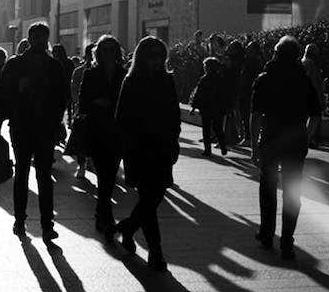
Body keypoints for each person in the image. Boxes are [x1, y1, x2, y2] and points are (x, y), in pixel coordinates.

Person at [251, 35, 320, 261]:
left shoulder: (264, 79)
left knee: (267, 189)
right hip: (296, 141)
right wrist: (306, 136)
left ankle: (266, 234)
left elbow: (255, 116)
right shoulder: (304, 79)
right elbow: (316, 115)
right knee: (292, 192)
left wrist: (254, 144)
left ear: (275, 53)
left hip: (271, 139)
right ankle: (287, 242)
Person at [115, 36, 181, 271]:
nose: (156, 61)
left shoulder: (166, 80)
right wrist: (128, 146)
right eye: (151, 56)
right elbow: (121, 117)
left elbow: (174, 115)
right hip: (140, 149)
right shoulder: (131, 81)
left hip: (162, 147)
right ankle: (156, 251)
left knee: (154, 196)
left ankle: (129, 227)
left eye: (159, 56)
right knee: (149, 198)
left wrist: (174, 141)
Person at [0, 22, 67, 241]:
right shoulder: (17, 65)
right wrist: (19, 90)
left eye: (42, 37)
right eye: (35, 37)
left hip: (41, 127)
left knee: (41, 175)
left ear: (46, 39)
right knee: (25, 173)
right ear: (30, 39)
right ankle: (21, 219)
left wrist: (56, 121)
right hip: (23, 126)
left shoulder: (52, 66)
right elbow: (2, 93)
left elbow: (62, 97)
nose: (39, 41)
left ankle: (46, 223)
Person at [78, 35, 125, 234]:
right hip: (97, 129)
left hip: (116, 130)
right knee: (103, 175)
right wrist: (96, 103)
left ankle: (102, 214)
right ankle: (105, 217)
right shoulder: (91, 74)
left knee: (109, 176)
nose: (108, 53)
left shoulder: (124, 74)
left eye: (112, 49)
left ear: (117, 52)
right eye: (104, 49)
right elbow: (82, 103)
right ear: (98, 52)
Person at [189, 57, 228, 156]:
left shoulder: (204, 79)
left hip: (206, 108)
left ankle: (208, 150)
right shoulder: (221, 79)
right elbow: (225, 95)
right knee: (218, 128)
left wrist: (193, 107)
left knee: (206, 129)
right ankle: (223, 146)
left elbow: (198, 94)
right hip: (217, 108)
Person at [70, 44, 94, 179]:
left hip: (96, 113)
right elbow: (74, 90)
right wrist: (78, 106)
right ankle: (82, 164)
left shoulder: (100, 71)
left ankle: (90, 161)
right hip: (82, 111)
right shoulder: (79, 71)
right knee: (81, 139)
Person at [238, 41, 263, 143]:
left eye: (249, 48)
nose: (247, 49)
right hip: (247, 90)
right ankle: (248, 137)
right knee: (245, 115)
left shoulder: (253, 61)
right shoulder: (253, 60)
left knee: (247, 115)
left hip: (249, 91)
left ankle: (248, 138)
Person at [301, 43, 325, 148]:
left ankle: (310, 139)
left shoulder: (304, 62)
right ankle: (309, 139)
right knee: (315, 117)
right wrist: (319, 95)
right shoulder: (310, 63)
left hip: (307, 95)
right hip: (312, 95)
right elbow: (313, 81)